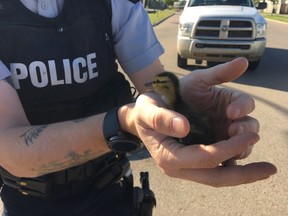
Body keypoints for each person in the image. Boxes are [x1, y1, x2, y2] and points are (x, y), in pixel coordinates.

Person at [0, 0, 277, 215]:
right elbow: (12, 149)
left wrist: (187, 111)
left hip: (111, 191)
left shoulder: (115, 3)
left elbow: (155, 89)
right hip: (28, 202)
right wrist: (124, 122)